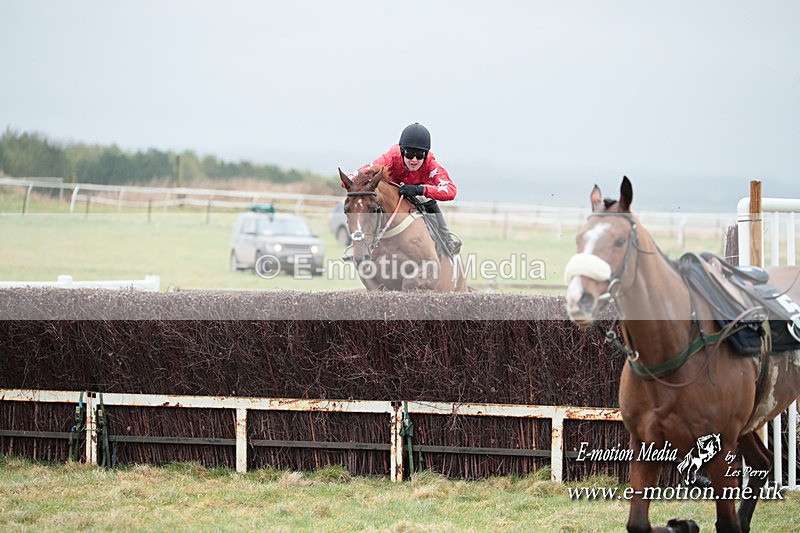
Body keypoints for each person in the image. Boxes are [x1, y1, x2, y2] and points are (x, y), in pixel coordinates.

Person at [357, 122, 462, 255]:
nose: (414, 160)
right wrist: (351, 184)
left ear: (426, 155)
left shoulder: (430, 164)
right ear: (401, 152)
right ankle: (361, 244)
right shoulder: (391, 157)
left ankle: (447, 240)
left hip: (416, 193)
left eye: (419, 155)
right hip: (393, 192)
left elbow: (451, 190)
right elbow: (360, 173)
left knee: (426, 199)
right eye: (409, 154)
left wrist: (420, 189)